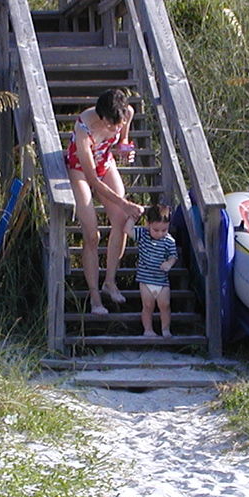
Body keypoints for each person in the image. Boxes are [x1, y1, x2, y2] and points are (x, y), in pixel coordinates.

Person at [65, 87, 142, 315]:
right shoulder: (84, 129)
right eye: (111, 125)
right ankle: (94, 296)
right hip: (81, 169)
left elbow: (124, 134)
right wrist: (124, 202)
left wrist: (124, 145)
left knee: (120, 221)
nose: (115, 128)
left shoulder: (124, 112)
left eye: (118, 124)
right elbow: (93, 181)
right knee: (92, 234)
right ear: (101, 117)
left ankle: (110, 281)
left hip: (105, 161)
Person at [126, 203, 178, 338]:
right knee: (148, 306)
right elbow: (128, 230)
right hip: (145, 279)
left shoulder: (169, 241)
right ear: (148, 224)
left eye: (164, 230)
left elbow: (173, 256)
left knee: (165, 305)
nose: (160, 233)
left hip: (162, 280)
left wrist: (169, 263)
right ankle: (148, 329)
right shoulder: (142, 235)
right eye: (156, 230)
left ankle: (165, 329)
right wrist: (133, 217)